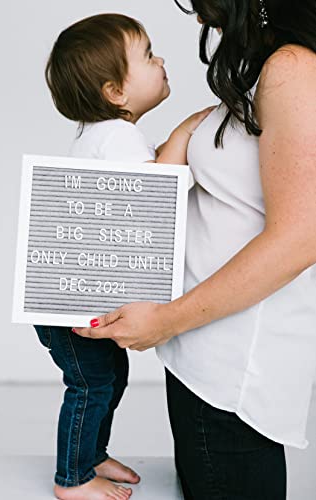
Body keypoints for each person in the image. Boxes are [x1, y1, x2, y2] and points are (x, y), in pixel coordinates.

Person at [73, 1, 316, 499]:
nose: (200, 18)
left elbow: (302, 236)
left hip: (230, 374)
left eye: (201, 4)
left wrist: (166, 320)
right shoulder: (262, 67)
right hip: (198, 358)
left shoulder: (291, 70)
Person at [35, 13, 213, 500]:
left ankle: (90, 453)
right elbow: (156, 192)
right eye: (149, 55)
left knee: (109, 379)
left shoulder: (106, 136)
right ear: (115, 91)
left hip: (82, 299)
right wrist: (184, 134)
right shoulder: (115, 137)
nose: (162, 61)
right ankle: (71, 477)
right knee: (91, 386)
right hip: (73, 308)